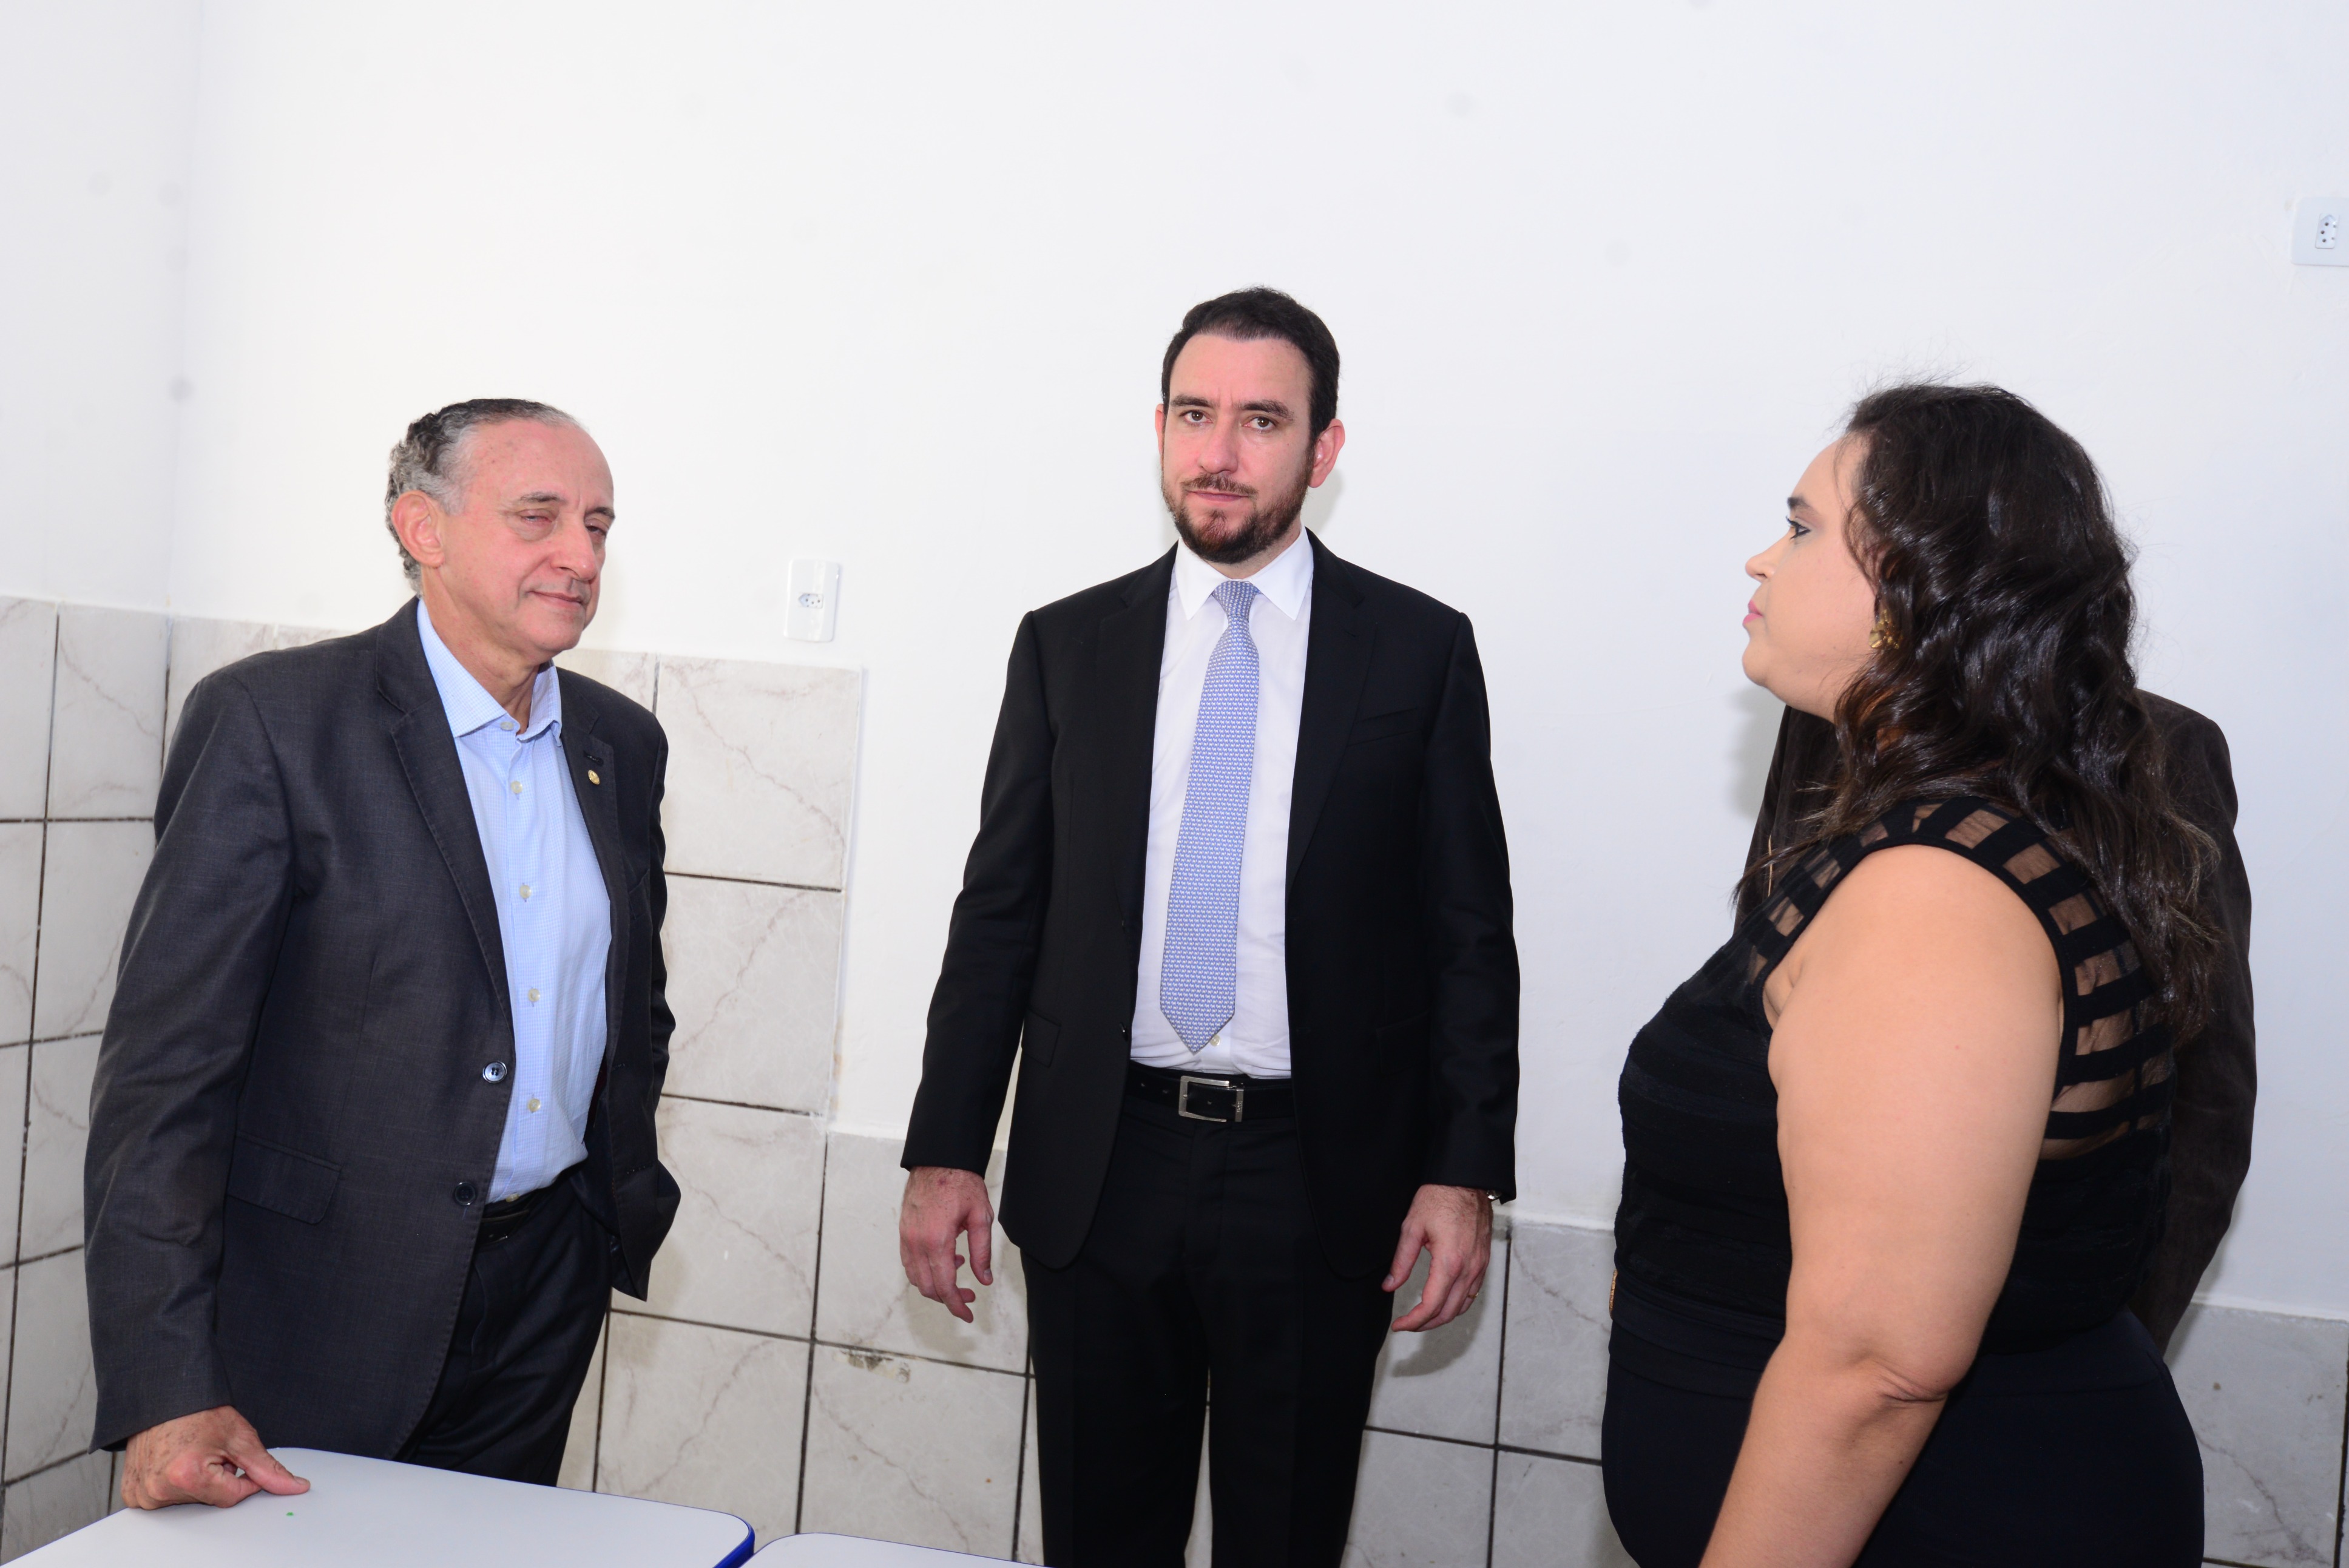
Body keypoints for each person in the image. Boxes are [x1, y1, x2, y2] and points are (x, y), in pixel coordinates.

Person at [897, 288, 1519, 1567]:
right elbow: (1000, 909)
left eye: (1261, 421)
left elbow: (1469, 931)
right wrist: (946, 1145)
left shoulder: (1417, 652)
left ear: (1323, 448)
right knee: (1098, 1537)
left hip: (1317, 1177)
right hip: (1102, 1164)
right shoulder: (1069, 645)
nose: (1219, 451)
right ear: (1159, 428)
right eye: (1194, 414)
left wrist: (1463, 1169)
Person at [1606, 384, 2213, 1565]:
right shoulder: (1953, 840)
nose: (1761, 557)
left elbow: (1879, 1363)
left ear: (1914, 592)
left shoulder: (1938, 889)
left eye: (1800, 527)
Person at [84, 399, 678, 1508]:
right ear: (423, 528)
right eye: (539, 515)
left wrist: (600, 1223)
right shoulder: (274, 721)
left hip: (543, 1295)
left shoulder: (621, 743)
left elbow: (631, 1004)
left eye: (598, 525)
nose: (581, 555)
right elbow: (166, 1077)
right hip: (316, 1308)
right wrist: (166, 1382)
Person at [1742, 706, 2253, 1353]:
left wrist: (2118, 1347)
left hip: (2021, 1330)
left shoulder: (2154, 743)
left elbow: (2206, 1093)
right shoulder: (1818, 723)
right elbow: (1755, 1007)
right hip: (1791, 1301)